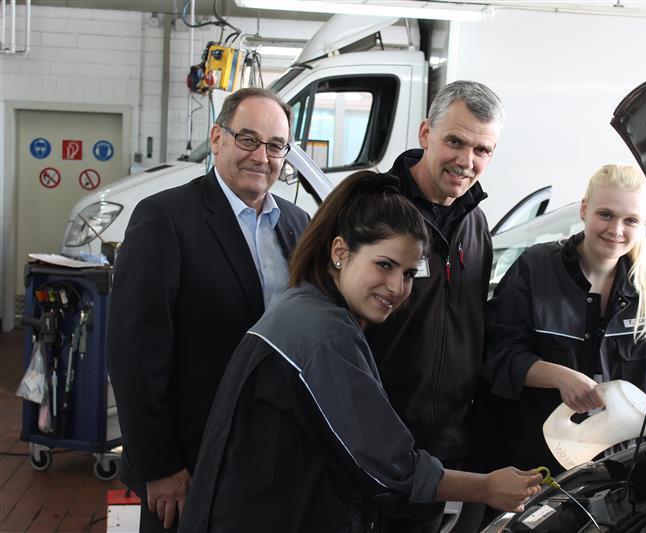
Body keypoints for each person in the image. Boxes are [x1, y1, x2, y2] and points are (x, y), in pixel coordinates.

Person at [177, 171, 543, 533]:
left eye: (409, 274)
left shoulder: (303, 305)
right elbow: (390, 467)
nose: (396, 287)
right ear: (340, 252)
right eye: (384, 265)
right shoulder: (323, 334)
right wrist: (486, 487)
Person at [107, 87, 310, 532]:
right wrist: (160, 466)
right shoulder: (164, 218)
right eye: (248, 139)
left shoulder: (298, 225)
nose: (262, 156)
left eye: (276, 146)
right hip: (190, 463)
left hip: (272, 457)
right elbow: (134, 355)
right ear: (218, 138)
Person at [479, 164, 646, 475]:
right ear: (584, 209)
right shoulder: (536, 268)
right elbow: (498, 355)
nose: (616, 230)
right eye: (606, 215)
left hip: (614, 466)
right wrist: (560, 377)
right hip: (532, 458)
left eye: (630, 220)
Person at [364, 81, 503, 532]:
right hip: (375, 442)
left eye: (481, 150)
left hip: (443, 449)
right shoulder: (377, 210)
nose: (466, 161)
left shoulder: (475, 223)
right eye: (455, 142)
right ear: (426, 133)